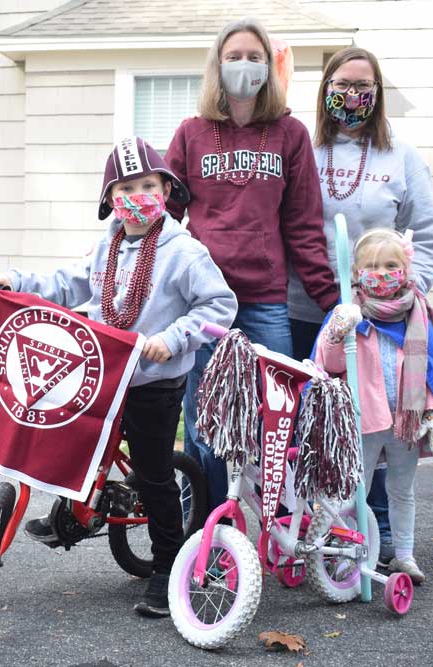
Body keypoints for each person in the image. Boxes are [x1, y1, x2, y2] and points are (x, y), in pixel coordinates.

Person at [0, 136, 237, 618]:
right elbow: (69, 282)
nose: (137, 196)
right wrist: (18, 282)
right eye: (125, 188)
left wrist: (175, 338)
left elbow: (220, 306)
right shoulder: (108, 245)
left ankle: (166, 567)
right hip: (103, 369)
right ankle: (73, 514)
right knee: (69, 436)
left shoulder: (184, 251)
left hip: (153, 380)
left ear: (165, 188)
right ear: (110, 200)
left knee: (155, 473)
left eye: (146, 185)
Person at [164, 18, 338, 512]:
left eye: (255, 57)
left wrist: (335, 304)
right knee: (204, 420)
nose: (245, 65)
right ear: (217, 66)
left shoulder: (291, 134)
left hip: (265, 301)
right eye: (234, 56)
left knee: (279, 413)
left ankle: (282, 526)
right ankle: (206, 524)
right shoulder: (191, 134)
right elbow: (167, 221)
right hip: (202, 305)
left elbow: (304, 226)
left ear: (270, 67)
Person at [288, 47, 433, 564]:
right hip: (305, 311)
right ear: (324, 88)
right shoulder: (303, 149)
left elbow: (427, 234)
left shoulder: (401, 154)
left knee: (376, 421)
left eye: (363, 86)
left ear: (377, 95)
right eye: (341, 84)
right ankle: (313, 530)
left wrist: (401, 298)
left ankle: (378, 538)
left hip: (380, 322)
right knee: (314, 426)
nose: (351, 95)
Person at [315, 228, 433, 585]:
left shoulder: (417, 313)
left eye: (390, 265)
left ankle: (404, 556)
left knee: (401, 489)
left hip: (404, 421)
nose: (381, 273)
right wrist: (338, 331)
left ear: (405, 270)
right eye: (372, 266)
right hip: (363, 420)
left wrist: (432, 413)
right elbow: (329, 362)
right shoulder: (351, 311)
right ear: (357, 272)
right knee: (354, 493)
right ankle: (349, 555)